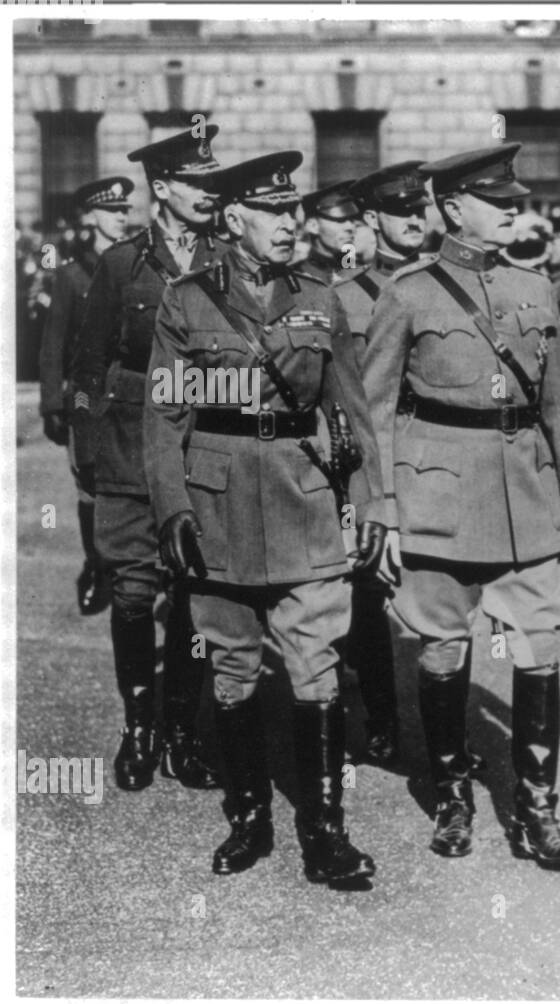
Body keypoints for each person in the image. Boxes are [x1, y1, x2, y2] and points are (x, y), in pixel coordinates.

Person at [142, 150, 387, 888]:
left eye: (294, 211)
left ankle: (325, 833)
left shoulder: (319, 294)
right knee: (233, 668)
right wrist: (172, 509)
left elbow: (351, 407)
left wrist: (374, 499)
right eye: (274, 213)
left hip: (305, 498)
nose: (291, 224)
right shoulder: (185, 300)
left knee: (316, 667)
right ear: (234, 216)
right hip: (216, 505)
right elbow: (163, 416)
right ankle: (249, 817)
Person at [362, 143, 560, 871]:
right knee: (442, 650)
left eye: (515, 202)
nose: (513, 211)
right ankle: (454, 795)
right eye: (497, 203)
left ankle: (538, 811)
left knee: (540, 648)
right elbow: (373, 409)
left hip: (527, 496)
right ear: (452, 208)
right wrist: (383, 509)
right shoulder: (409, 291)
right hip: (439, 494)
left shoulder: (536, 287)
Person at [70, 128, 227, 793]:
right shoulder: (122, 265)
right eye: (198, 182)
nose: (210, 193)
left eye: (214, 181)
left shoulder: (227, 257)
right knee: (134, 595)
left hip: (207, 445)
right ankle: (140, 724)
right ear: (163, 188)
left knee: (195, 594)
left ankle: (185, 729)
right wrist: (93, 455)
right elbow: (90, 363)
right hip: (133, 447)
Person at [334, 161, 434, 766]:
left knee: (444, 600)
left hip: (439, 461)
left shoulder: (448, 283)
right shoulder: (346, 299)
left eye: (420, 210)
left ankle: (448, 737)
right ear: (371, 220)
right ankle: (383, 718)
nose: (414, 221)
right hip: (376, 461)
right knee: (369, 598)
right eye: (400, 213)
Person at [39, 176, 134, 616]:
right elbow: (53, 343)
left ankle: (129, 563)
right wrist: (52, 405)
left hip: (129, 395)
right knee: (90, 485)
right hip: (85, 398)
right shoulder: (71, 273)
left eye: (124, 210)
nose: (122, 217)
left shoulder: (134, 265)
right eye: (113, 211)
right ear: (91, 217)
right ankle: (97, 564)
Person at [297, 179, 361, 285]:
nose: (350, 227)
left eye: (352, 219)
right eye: (340, 220)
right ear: (313, 226)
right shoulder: (298, 278)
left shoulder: (361, 274)